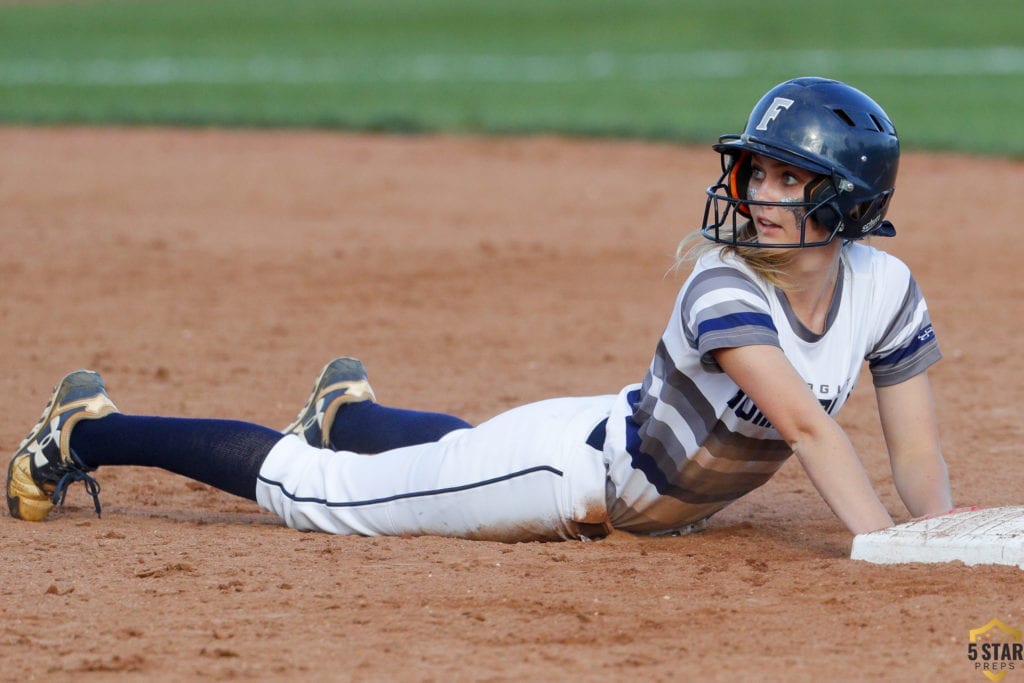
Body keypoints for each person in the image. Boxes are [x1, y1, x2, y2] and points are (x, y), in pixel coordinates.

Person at [6, 76, 953, 543]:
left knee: (457, 455)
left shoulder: (884, 290)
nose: (756, 193)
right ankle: (91, 428)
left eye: (790, 177)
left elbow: (913, 451)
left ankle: (350, 415)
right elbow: (806, 425)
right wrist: (888, 554)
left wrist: (938, 532)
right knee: (323, 498)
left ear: (847, 201)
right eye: (756, 170)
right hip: (573, 474)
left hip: (618, 462)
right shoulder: (723, 286)